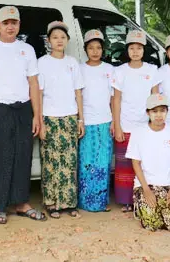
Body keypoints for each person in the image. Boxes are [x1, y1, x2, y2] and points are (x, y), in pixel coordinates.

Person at [0, 5, 46, 224]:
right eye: (6, 23)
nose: (10, 26)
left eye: (14, 23)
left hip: (23, 109)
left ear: (19, 25)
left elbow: (33, 83)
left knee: (23, 156)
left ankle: (22, 203)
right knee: (0, 157)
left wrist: (37, 116)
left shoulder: (28, 50)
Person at [38, 21, 85, 218]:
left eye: (62, 38)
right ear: (49, 40)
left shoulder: (72, 63)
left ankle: (68, 203)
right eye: (55, 37)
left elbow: (78, 93)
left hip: (69, 118)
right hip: (49, 117)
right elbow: (38, 93)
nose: (59, 41)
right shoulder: (42, 62)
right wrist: (39, 121)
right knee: (51, 162)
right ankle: (52, 203)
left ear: (67, 41)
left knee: (69, 161)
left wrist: (80, 120)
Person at [112, 30, 160, 213]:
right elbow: (116, 100)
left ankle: (144, 197)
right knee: (124, 165)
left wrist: (155, 124)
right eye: (131, 48)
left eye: (139, 48)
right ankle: (126, 201)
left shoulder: (152, 70)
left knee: (145, 164)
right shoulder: (120, 71)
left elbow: (155, 98)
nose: (135, 51)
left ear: (144, 50)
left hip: (145, 126)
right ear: (127, 50)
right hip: (125, 124)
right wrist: (117, 125)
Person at [126, 93, 170, 232]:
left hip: (167, 185)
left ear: (167, 112)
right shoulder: (138, 132)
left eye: (162, 111)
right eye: (154, 111)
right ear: (148, 112)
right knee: (152, 223)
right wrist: (146, 190)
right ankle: (140, 208)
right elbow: (136, 163)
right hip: (145, 185)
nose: (159, 115)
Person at [78, 30, 114, 212]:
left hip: (105, 122)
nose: (95, 51)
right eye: (91, 48)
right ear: (85, 49)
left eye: (98, 47)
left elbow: (114, 98)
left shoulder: (109, 70)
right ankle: (85, 201)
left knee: (102, 163)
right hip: (86, 123)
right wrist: (80, 120)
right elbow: (77, 96)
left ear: (103, 49)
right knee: (86, 162)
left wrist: (115, 121)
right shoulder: (79, 68)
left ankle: (100, 202)